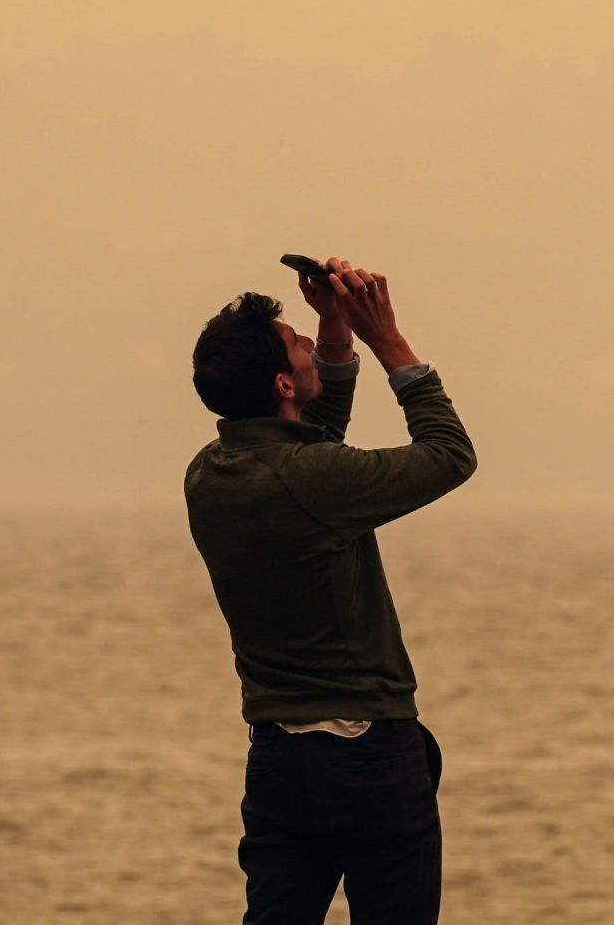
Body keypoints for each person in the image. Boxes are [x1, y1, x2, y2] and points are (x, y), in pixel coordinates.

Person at [184, 256, 477, 924]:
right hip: (368, 756)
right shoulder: (313, 479)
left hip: (281, 763)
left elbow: (312, 443)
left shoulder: (209, 474)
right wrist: (386, 339)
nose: (310, 342)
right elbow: (450, 454)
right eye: (298, 341)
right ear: (285, 380)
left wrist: (333, 326)